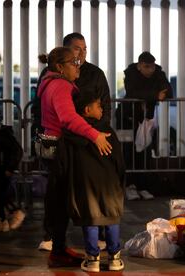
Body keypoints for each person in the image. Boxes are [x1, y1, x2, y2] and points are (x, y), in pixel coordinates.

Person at [37, 46, 112, 267]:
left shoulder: (49, 83)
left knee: (57, 201)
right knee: (61, 202)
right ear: (60, 67)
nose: (78, 66)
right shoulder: (60, 85)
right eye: (73, 62)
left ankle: (59, 248)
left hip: (50, 147)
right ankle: (59, 251)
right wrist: (95, 134)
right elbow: (68, 118)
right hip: (60, 150)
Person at [57, 91, 125, 272]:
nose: (102, 109)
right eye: (98, 106)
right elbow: (119, 161)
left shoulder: (70, 136)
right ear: (87, 109)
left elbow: (63, 163)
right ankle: (114, 258)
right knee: (111, 218)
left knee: (90, 218)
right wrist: (121, 182)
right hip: (109, 185)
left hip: (83, 185)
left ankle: (92, 258)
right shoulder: (107, 132)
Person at [118, 51, 173, 200]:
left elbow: (169, 91)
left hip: (145, 120)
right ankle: (129, 186)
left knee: (144, 153)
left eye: (152, 67)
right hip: (127, 118)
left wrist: (151, 94)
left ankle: (142, 186)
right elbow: (132, 92)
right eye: (147, 67)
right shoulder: (130, 73)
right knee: (128, 152)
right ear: (139, 66)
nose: (150, 70)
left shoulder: (158, 73)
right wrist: (155, 95)